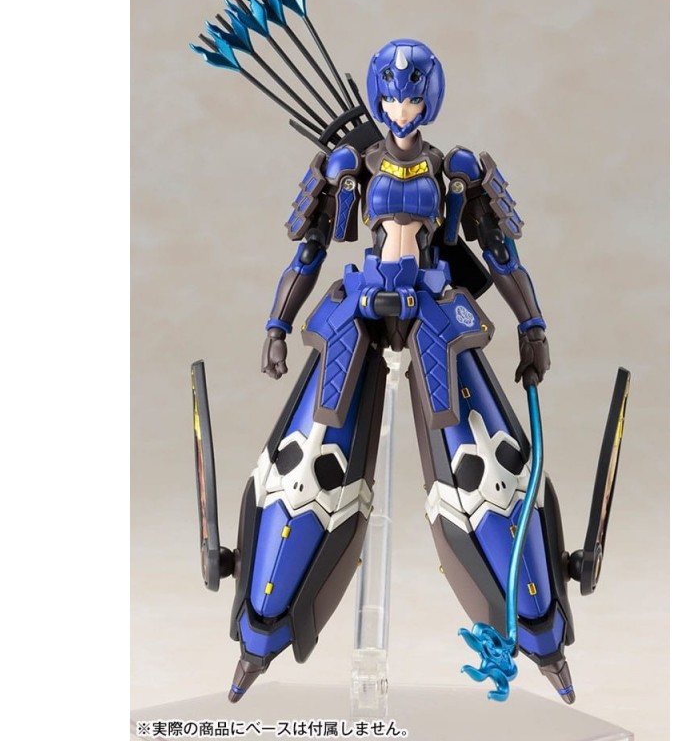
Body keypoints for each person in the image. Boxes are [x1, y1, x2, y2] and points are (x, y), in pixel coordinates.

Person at [226, 38, 576, 705]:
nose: (401, 110)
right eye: (391, 99)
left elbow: (501, 256)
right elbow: (308, 254)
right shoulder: (347, 166)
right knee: (305, 471)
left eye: (412, 99)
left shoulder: (457, 171)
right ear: (377, 97)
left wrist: (532, 326)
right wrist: (277, 324)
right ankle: (259, 633)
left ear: (429, 100)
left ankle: (541, 634)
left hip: (436, 313)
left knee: (490, 476)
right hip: (360, 307)